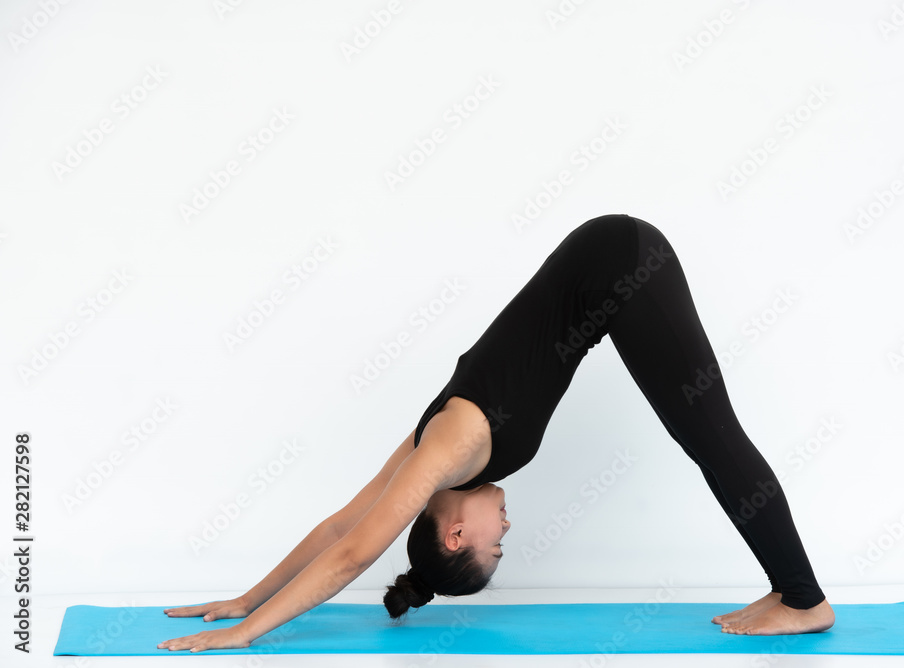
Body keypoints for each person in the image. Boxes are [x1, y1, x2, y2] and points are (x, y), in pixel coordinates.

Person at [158, 214, 834, 652]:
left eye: (494, 549)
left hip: (624, 264)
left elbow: (355, 552)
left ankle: (804, 600)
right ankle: (792, 590)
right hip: (609, 268)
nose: (508, 534)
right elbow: (342, 525)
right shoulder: (433, 448)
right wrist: (248, 594)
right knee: (706, 437)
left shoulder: (453, 447)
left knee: (712, 437)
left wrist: (248, 632)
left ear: (455, 536)